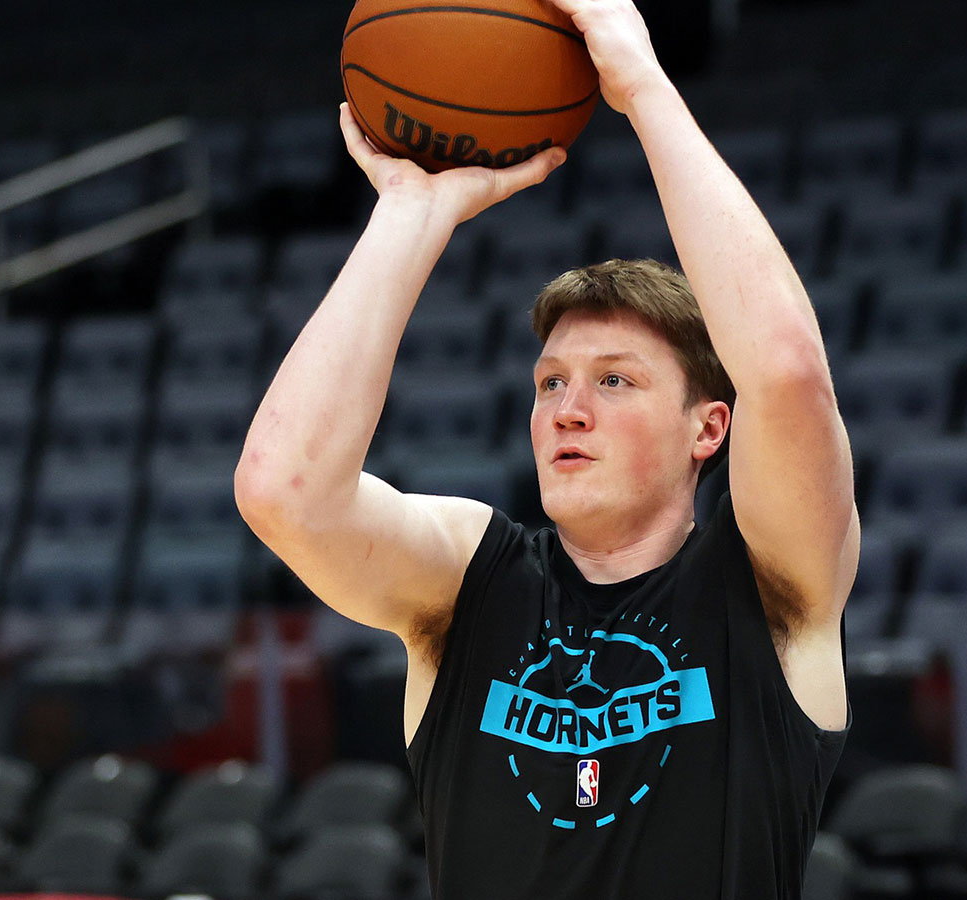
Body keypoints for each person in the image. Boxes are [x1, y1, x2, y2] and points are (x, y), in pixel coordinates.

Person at [234, 0, 859, 896]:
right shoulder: (468, 586)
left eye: (615, 381)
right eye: (551, 383)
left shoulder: (768, 583)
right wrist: (413, 212)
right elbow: (281, 488)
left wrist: (640, 85)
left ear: (708, 428)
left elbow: (790, 372)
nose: (568, 409)